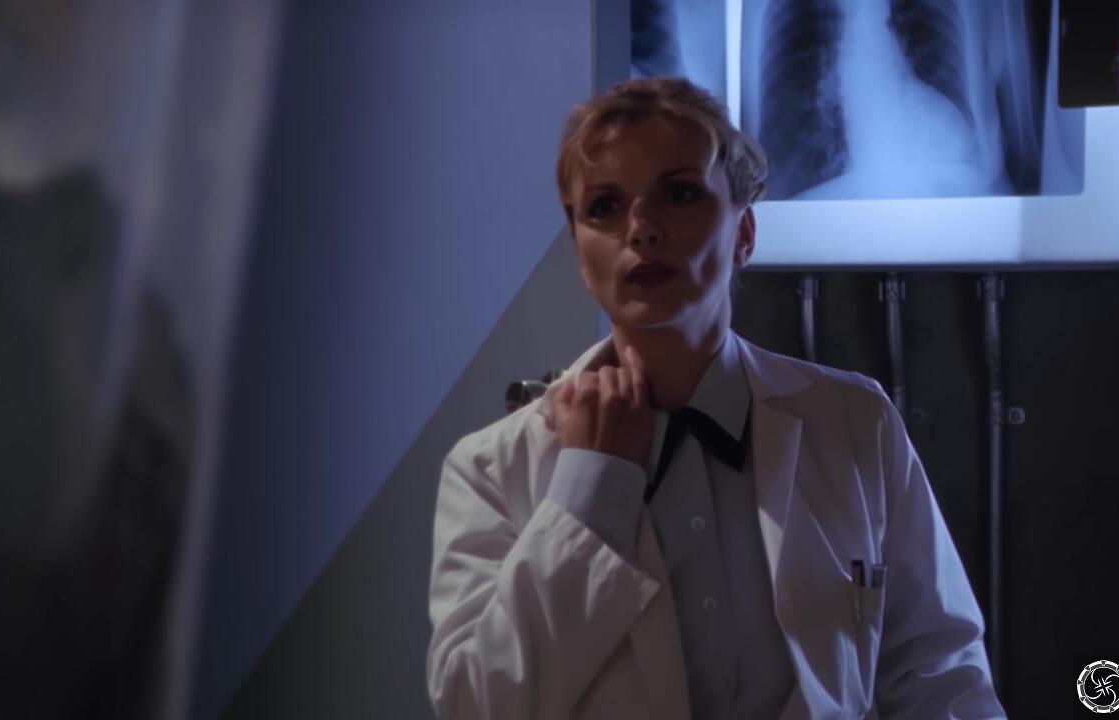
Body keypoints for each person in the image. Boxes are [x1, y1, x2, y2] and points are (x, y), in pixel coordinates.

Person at [426, 76, 1006, 719]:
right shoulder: (492, 468)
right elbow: (475, 706)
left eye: (678, 194)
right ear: (580, 255)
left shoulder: (853, 420)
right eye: (605, 206)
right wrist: (588, 487)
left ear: (744, 233)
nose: (640, 229)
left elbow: (938, 674)